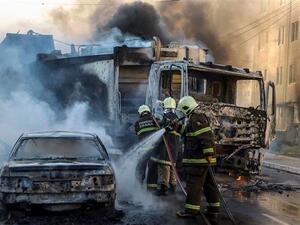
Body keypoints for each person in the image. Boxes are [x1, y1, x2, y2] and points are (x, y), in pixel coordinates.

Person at [175, 96, 220, 219]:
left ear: (186, 108)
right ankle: (213, 207)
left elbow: (205, 136)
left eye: (182, 110)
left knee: (194, 185)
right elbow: (190, 133)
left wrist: (208, 153)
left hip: (199, 160)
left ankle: (191, 210)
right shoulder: (195, 119)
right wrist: (177, 127)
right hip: (203, 160)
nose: (182, 113)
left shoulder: (196, 118)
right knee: (209, 184)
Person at [151, 97, 180, 196]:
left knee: (164, 168)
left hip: (165, 148)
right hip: (174, 148)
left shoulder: (167, 117)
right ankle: (173, 187)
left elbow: (161, 130)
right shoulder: (177, 118)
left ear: (165, 107)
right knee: (172, 168)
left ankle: (164, 188)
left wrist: (157, 123)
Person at [134, 105, 159, 190]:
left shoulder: (137, 123)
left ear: (141, 113)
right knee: (152, 169)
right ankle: (151, 189)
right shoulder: (154, 120)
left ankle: (138, 187)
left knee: (141, 168)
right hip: (154, 150)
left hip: (143, 150)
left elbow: (138, 134)